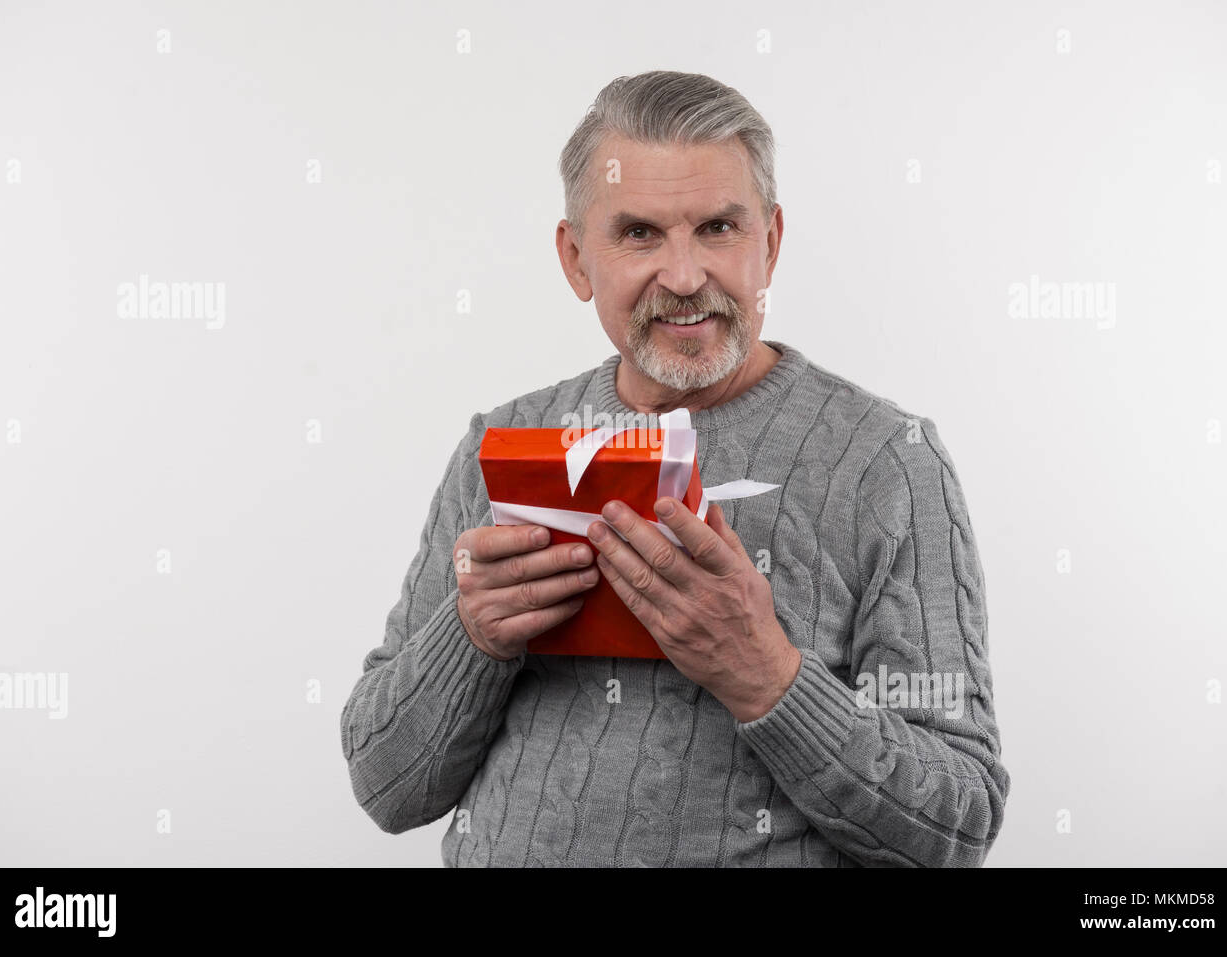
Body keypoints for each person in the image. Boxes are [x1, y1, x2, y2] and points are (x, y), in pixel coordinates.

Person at [340, 70, 1010, 867]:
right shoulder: (504, 442)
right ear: (575, 258)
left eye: (720, 227)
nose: (686, 277)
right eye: (639, 234)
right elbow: (385, 787)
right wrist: (473, 636)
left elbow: (958, 823)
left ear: (771, 242)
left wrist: (766, 677)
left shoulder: (884, 464)